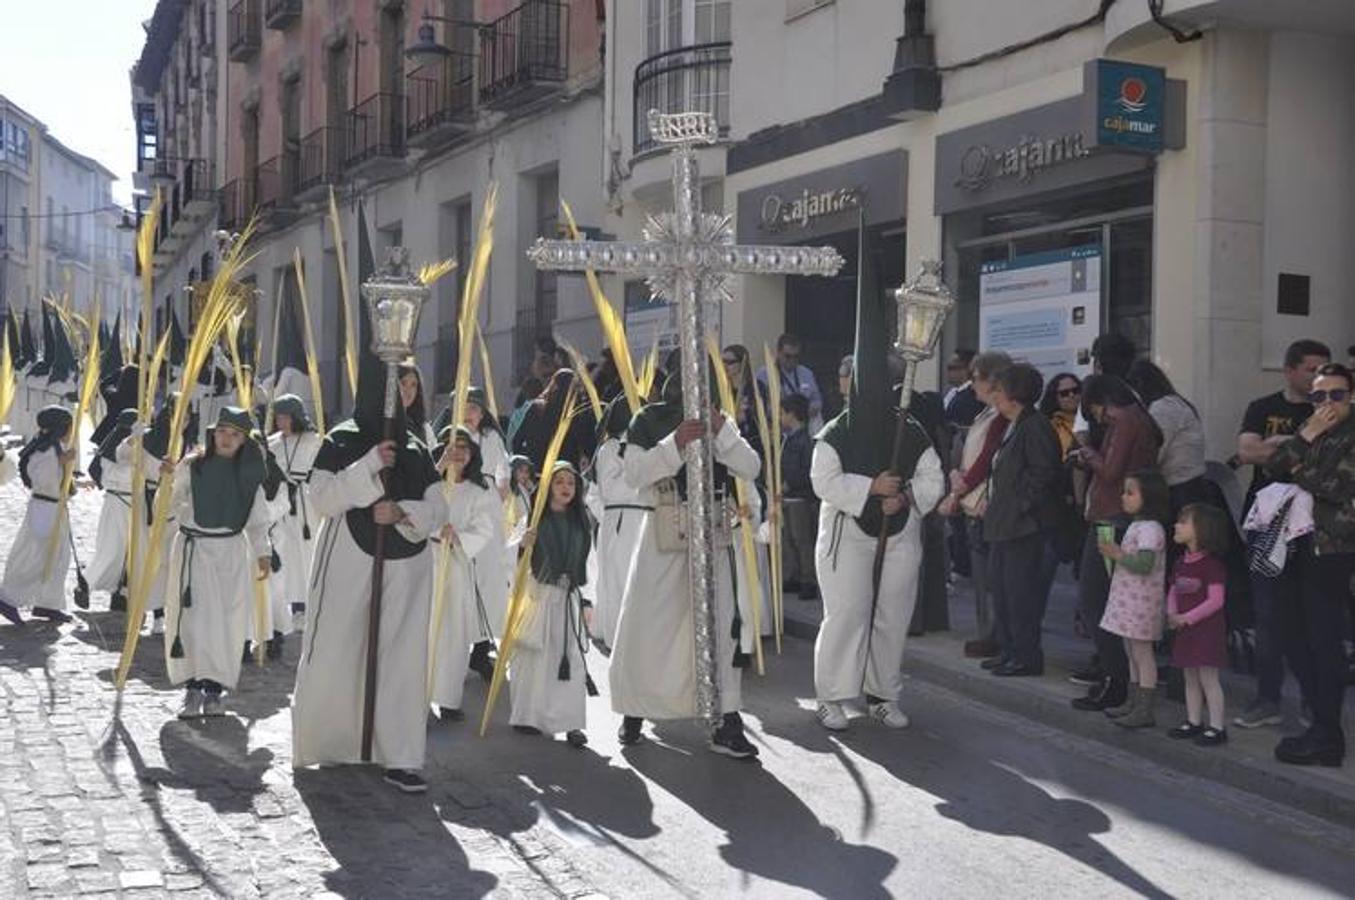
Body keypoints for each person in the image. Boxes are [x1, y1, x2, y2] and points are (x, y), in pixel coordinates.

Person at [291, 273, 448, 793]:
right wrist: (364, 472)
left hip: (405, 567)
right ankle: (335, 740)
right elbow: (320, 499)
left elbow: (436, 506)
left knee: (401, 660)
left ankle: (399, 754)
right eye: (395, 383)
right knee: (341, 648)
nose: (403, 391)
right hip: (350, 562)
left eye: (409, 385)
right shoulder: (341, 439)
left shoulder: (420, 447)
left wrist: (399, 511)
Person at [811, 241, 945, 733]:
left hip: (900, 532)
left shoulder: (908, 430)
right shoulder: (835, 433)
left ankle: (882, 693)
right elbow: (823, 481)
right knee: (847, 613)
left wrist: (906, 494)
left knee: (891, 616)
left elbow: (933, 477)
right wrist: (871, 486)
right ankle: (831, 695)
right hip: (850, 533)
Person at [610, 361, 762, 757]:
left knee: (717, 627)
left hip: (712, 535)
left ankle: (725, 720)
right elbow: (635, 474)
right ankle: (635, 710)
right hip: (663, 535)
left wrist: (721, 432)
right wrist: (674, 442)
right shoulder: (648, 420)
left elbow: (751, 467)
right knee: (650, 628)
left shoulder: (721, 422)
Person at [1234, 338, 1331, 730]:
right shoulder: (1263, 408)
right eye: (1311, 369)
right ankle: (1267, 698)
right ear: (1289, 369)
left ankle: (1314, 701)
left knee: (1315, 617)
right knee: (1269, 614)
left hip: (1316, 523)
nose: (1318, 376)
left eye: (1324, 369)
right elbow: (1246, 452)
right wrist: (1288, 446)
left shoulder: (1331, 410)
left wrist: (1278, 447)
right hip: (1270, 524)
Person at [1263, 362, 1355, 767]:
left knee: (1324, 642)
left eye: (1336, 394)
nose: (1327, 404)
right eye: (1319, 396)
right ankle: (1318, 719)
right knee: (1289, 633)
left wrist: (1300, 470)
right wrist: (1307, 436)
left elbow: (1338, 489)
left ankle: (1327, 733)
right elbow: (1273, 465)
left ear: (1351, 396)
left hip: (1332, 549)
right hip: (1295, 545)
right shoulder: (1313, 431)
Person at [162, 407, 272, 719]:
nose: (227, 438)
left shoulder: (249, 474)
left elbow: (258, 519)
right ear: (213, 433)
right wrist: (168, 480)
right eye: (223, 431)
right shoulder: (193, 464)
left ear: (243, 441)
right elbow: (169, 504)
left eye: (235, 434)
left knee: (225, 620)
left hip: (229, 554)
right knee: (192, 619)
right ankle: (192, 688)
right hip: (193, 551)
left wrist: (263, 552)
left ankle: (214, 690)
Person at [1070, 375, 1162, 713]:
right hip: (1117, 517)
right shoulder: (1139, 418)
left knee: (1097, 601)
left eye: (1094, 410)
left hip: (1111, 519)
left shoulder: (1123, 420)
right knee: (1107, 603)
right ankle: (1124, 683)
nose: (1096, 418)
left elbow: (1110, 472)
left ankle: (1115, 679)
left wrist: (1086, 452)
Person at [982, 364, 1063, 677]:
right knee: (1002, 591)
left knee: (1020, 595)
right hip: (1004, 523)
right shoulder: (1013, 426)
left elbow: (1042, 473)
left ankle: (1026, 655)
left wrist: (1020, 506)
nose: (995, 397)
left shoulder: (1035, 426)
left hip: (1023, 526)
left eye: (1000, 391)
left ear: (1014, 395)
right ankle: (1008, 649)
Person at [511, 461, 594, 748]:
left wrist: (585, 599)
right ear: (547, 487)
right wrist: (524, 543)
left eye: (570, 482)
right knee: (535, 660)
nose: (565, 487)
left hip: (567, 598)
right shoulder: (534, 519)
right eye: (558, 481)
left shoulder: (581, 521)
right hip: (540, 596)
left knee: (568, 661)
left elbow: (586, 562)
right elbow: (514, 556)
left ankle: (570, 724)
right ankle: (528, 717)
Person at [937, 351, 1011, 658]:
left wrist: (960, 488)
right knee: (983, 578)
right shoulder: (986, 413)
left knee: (994, 580)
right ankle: (988, 633)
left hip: (984, 504)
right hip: (972, 501)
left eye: (976, 378)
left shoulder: (1000, 416)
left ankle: (995, 635)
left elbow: (988, 461)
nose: (972, 384)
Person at [428, 427, 500, 721]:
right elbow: (412, 512)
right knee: (421, 631)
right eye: (452, 446)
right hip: (422, 562)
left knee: (453, 633)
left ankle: (447, 698)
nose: (457, 453)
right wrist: (434, 529)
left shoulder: (478, 491)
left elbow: (484, 529)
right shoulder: (429, 483)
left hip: (456, 564)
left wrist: (457, 537)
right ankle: (416, 696)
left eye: (464, 448)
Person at [1096, 470, 1171, 728]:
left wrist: (1117, 554)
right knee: (1131, 651)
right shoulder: (1138, 526)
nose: (1124, 497)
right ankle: (1134, 699)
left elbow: (1145, 564)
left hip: (1141, 602)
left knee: (1142, 652)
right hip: (1129, 599)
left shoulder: (1151, 529)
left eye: (1130, 492)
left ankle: (1145, 706)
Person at [0, 406, 76, 625]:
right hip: (44, 508)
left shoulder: (57, 447)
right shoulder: (45, 451)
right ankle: (8, 599)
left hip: (56, 508)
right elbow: (39, 478)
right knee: (33, 556)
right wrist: (59, 463)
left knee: (59, 558)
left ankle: (48, 603)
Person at [1166, 502, 1232, 747]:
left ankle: (1217, 726)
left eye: (1184, 522)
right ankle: (1193, 720)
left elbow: (1216, 600)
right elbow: (1173, 590)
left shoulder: (1211, 566)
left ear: (1202, 530)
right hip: (1185, 630)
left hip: (1206, 632)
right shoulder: (1181, 562)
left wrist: (1187, 617)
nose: (1176, 525)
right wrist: (1172, 613)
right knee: (1189, 676)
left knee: (1208, 678)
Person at [458, 387, 512, 680]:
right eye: (465, 407)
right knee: (462, 577)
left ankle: (481, 649)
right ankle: (457, 649)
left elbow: (505, 468)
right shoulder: (452, 436)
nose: (470, 414)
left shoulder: (492, 438)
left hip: (488, 507)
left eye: (475, 408)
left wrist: (500, 491)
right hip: (462, 504)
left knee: (489, 578)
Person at [590, 397, 644, 650]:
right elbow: (610, 490)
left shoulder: (644, 445)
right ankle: (617, 641)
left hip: (642, 519)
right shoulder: (610, 448)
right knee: (618, 581)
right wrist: (638, 472)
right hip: (621, 520)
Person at [266, 395, 322, 641]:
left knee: (305, 555)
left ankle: (305, 606)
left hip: (305, 506)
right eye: (278, 417)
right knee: (283, 554)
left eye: (286, 417)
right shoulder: (272, 443)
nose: (282, 422)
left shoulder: (314, 441)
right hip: (280, 504)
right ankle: (286, 608)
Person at [1127, 360, 1207, 513]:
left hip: (1180, 488)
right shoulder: (1175, 403)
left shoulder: (1163, 408)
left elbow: (1154, 451)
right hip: (1188, 486)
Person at [87, 408, 138, 611]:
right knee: (113, 549)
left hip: (132, 504)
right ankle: (88, 584)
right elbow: (118, 473)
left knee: (130, 552)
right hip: (118, 503)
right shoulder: (112, 452)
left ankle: (122, 593)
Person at [779, 393, 818, 601]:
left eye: (782, 413)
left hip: (800, 497)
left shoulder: (804, 441)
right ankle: (793, 575)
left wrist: (790, 483)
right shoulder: (788, 439)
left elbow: (806, 471)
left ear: (791, 414)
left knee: (802, 540)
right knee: (789, 539)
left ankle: (808, 580)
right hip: (787, 496)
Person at [757, 334, 825, 433]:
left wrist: (809, 410)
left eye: (796, 357)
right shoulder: (764, 375)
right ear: (779, 353)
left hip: (803, 428)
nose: (792, 360)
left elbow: (817, 400)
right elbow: (759, 406)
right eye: (788, 356)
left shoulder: (806, 373)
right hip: (778, 430)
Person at [942, 349, 982, 428]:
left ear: (966, 370)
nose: (947, 372)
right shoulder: (952, 392)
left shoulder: (972, 395)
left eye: (951, 368)